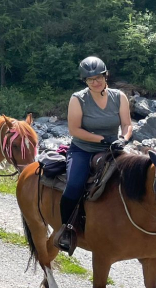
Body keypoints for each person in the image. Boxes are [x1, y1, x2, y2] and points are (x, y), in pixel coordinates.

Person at [50, 56, 133, 254]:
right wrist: (102, 139)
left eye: (98, 77)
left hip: (114, 148)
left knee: (140, 173)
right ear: (85, 81)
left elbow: (127, 124)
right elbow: (74, 129)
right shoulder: (78, 99)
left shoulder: (119, 97)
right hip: (83, 149)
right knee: (74, 186)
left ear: (106, 76)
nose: (95, 82)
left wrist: (124, 138)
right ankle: (66, 230)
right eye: (90, 79)